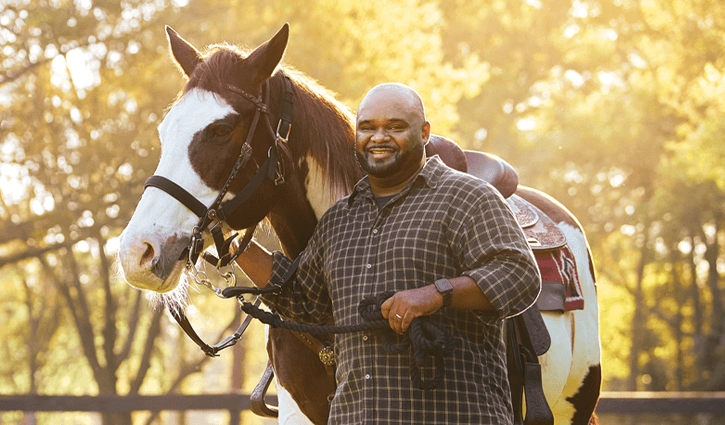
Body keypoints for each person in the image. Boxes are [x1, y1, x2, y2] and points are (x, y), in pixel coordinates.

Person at [234, 82, 541, 424]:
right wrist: (234, 247)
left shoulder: (468, 197)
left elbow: (519, 275)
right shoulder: (340, 220)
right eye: (367, 128)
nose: (378, 137)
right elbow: (301, 303)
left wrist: (434, 295)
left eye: (394, 127)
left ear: (424, 133)